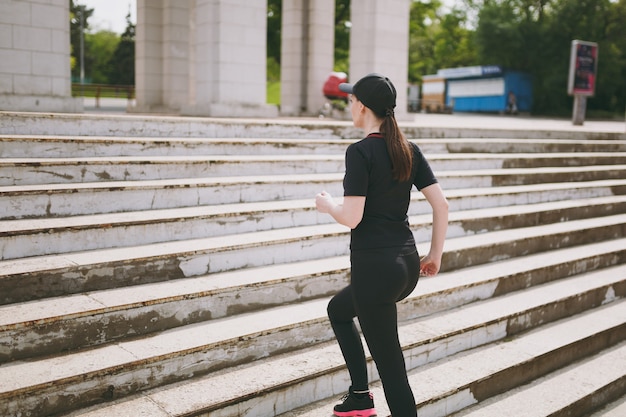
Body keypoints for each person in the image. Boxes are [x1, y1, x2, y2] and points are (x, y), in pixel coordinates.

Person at [315, 73, 449, 417]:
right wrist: (434, 255)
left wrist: (328, 205)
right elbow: (441, 205)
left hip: (375, 270)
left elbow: (352, 217)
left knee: (392, 370)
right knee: (339, 311)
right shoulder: (408, 149)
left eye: (351, 101)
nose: (349, 106)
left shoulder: (360, 152)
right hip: (405, 267)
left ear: (362, 107)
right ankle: (360, 395)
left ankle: (373, 402)